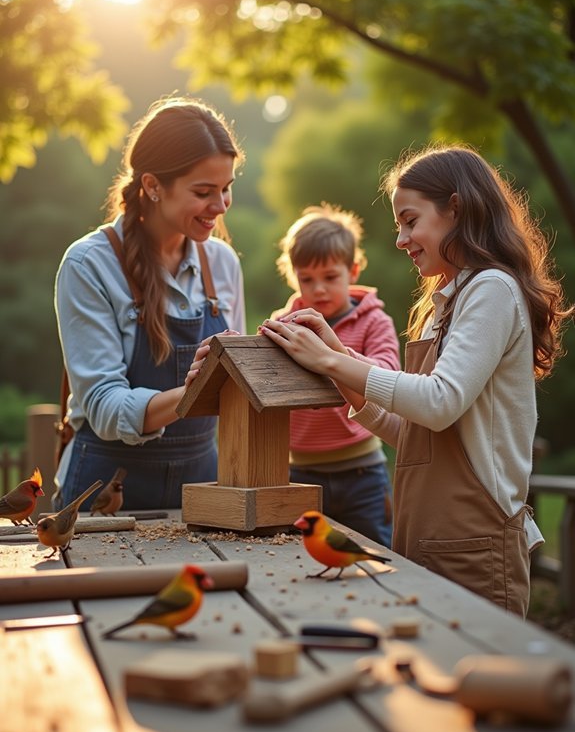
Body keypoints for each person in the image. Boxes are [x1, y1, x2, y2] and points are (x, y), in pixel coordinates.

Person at [259, 145, 574, 618]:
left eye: (410, 221)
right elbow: (416, 435)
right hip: (424, 538)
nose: (402, 239)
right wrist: (340, 358)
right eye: (398, 226)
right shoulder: (441, 304)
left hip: (476, 545)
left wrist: (331, 362)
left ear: (456, 208)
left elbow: (438, 402)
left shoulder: (491, 289)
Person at [54, 96, 246, 511]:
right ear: (153, 186)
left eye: (227, 189)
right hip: (105, 487)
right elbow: (103, 406)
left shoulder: (223, 263)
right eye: (203, 191)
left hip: (205, 483)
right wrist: (194, 393)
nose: (221, 206)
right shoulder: (89, 264)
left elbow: (237, 386)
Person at [270, 203, 400, 546]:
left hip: (362, 471)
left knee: (373, 551)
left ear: (353, 270)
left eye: (330, 277)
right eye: (307, 279)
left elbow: (388, 375)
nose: (319, 290)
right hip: (298, 474)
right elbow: (265, 380)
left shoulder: (375, 321)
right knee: (300, 554)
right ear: (293, 275)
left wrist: (332, 354)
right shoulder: (284, 325)